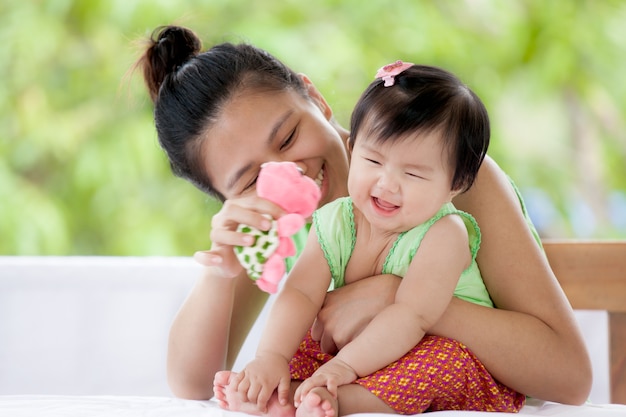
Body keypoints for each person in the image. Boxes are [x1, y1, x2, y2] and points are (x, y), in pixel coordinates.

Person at [135, 25, 592, 407]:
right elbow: (191, 385)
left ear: (314, 96)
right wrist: (223, 269)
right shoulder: (275, 223)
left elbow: (570, 377)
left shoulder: (446, 179)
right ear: (228, 197)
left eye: (290, 136)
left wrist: (399, 299)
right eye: (250, 180)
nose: (290, 172)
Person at [213, 61, 526, 416]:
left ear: (455, 185)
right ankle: (275, 390)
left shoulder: (444, 233)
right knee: (302, 332)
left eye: (413, 173)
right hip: (369, 348)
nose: (387, 184)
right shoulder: (334, 220)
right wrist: (270, 357)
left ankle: (340, 399)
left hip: (444, 352)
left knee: (444, 360)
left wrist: (343, 368)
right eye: (373, 161)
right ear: (353, 148)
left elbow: (411, 316)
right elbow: (300, 292)